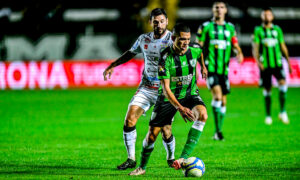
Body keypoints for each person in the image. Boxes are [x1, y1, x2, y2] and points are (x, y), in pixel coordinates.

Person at [129, 23, 208, 176]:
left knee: (203, 115)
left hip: (190, 94)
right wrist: (180, 107)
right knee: (152, 135)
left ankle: (183, 158)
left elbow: (200, 53)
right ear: (173, 38)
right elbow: (165, 89)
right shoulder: (165, 58)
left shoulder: (194, 51)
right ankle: (142, 167)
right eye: (181, 39)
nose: (185, 43)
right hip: (168, 98)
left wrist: (203, 67)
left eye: (188, 39)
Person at [103, 8, 174, 170]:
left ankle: (171, 157)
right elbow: (131, 53)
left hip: (165, 91)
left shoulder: (173, 41)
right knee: (129, 120)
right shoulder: (144, 39)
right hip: (146, 88)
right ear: (150, 22)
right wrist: (113, 64)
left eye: (162, 21)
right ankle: (131, 159)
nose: (159, 25)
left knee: (166, 130)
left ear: (167, 22)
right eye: (155, 22)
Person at [195, 1, 243, 141]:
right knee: (217, 96)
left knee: (223, 101)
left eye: (222, 7)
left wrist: (239, 52)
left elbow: (235, 44)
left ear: (226, 10)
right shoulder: (206, 26)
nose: (219, 10)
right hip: (211, 68)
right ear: (213, 10)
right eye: (217, 7)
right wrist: (198, 65)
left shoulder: (230, 27)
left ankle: (218, 130)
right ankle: (218, 131)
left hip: (224, 70)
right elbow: (198, 46)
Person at [252, 7, 292, 125]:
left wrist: (288, 62)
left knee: (283, 84)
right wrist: (259, 62)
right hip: (265, 65)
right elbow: (255, 48)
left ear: (272, 17)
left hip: (277, 63)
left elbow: (282, 45)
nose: (266, 17)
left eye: (268, 15)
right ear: (262, 17)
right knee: (267, 89)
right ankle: (268, 115)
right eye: (264, 15)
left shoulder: (277, 30)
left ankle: (283, 112)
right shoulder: (258, 30)